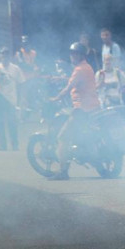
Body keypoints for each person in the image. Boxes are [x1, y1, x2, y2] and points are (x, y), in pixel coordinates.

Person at [49, 42, 101, 180]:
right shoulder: (87, 67)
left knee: (63, 137)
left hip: (82, 109)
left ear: (80, 55)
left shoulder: (79, 69)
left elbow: (68, 88)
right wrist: (61, 78)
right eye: (71, 53)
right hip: (92, 107)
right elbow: (75, 81)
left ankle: (63, 171)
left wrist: (55, 99)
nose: (72, 56)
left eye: (74, 53)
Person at [0, 47, 25, 151]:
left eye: (6, 55)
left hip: (11, 99)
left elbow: (21, 84)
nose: (4, 57)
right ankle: (2, 144)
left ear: (9, 57)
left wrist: (20, 100)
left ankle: (15, 144)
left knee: (12, 122)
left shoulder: (15, 69)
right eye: (2, 55)